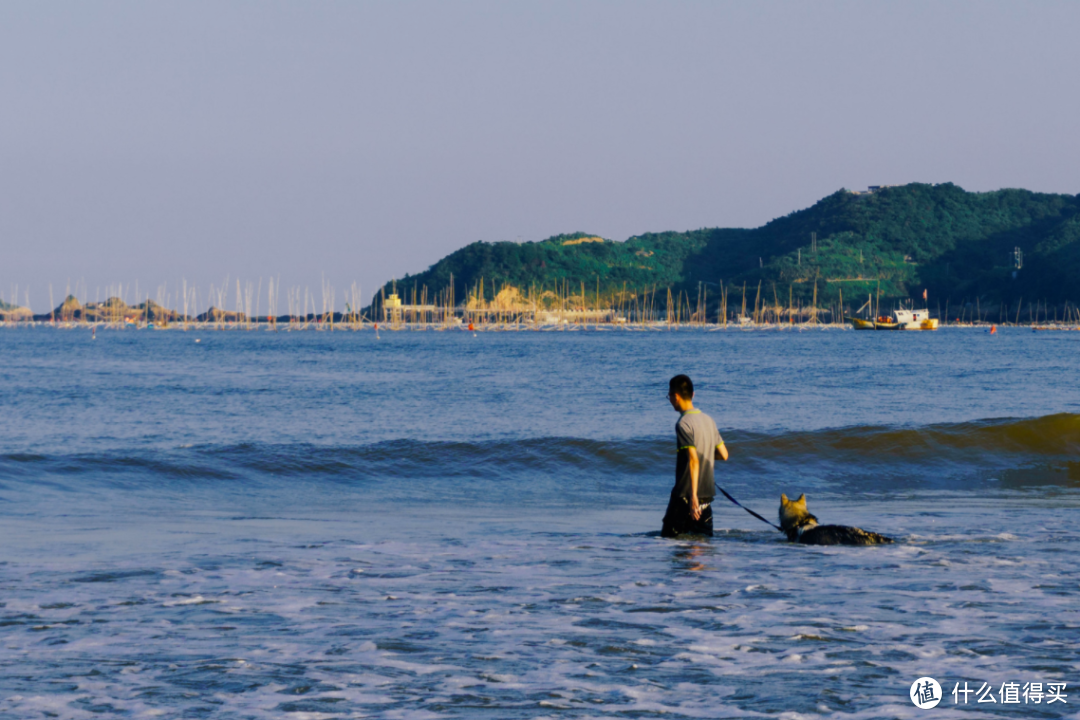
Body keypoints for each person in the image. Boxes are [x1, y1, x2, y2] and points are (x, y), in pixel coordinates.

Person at [661, 374, 728, 537]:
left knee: (670, 542)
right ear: (693, 394)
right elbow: (724, 454)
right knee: (701, 549)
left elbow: (693, 459)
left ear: (675, 396)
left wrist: (693, 498)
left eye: (669, 395)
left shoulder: (683, 424)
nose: (669, 399)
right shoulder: (708, 420)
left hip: (686, 497)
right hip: (706, 498)